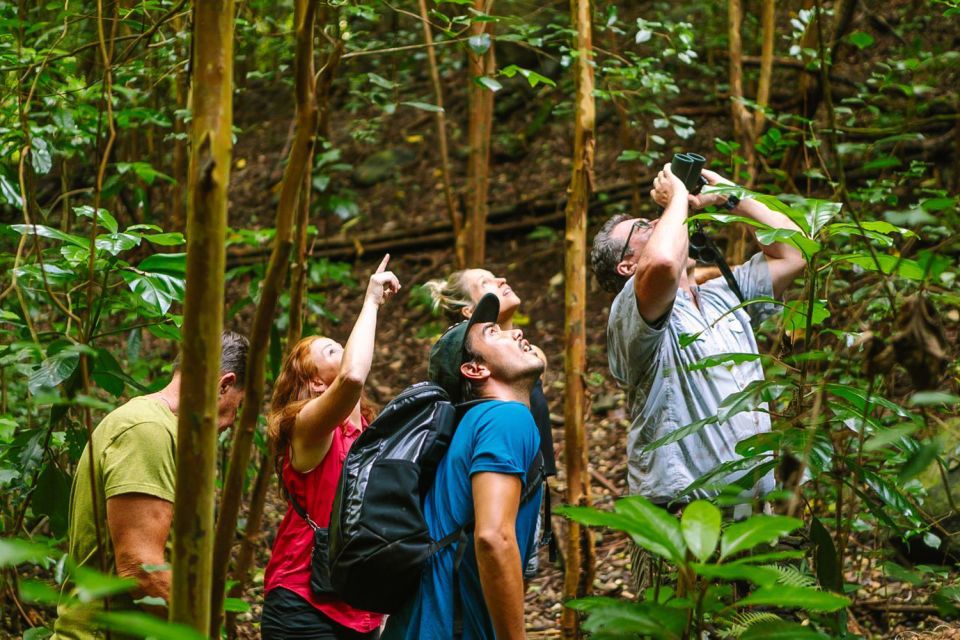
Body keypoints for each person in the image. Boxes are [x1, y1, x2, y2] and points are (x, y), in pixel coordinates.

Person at [589, 164, 806, 583]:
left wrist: (732, 196)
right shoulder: (630, 312)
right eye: (643, 228)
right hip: (680, 522)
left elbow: (796, 252)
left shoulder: (725, 291)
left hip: (752, 517)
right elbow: (665, 265)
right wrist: (675, 204)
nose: (659, 222)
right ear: (627, 266)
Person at [52, 331, 250, 640]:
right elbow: (140, 568)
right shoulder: (148, 431)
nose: (231, 422)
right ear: (224, 385)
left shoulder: (161, 429)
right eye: (237, 407)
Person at [383, 293, 545, 640]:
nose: (514, 333)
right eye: (492, 333)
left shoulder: (474, 424)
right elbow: (494, 537)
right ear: (475, 369)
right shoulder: (506, 419)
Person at [261, 255, 400, 640]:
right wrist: (370, 301)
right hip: (303, 605)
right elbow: (353, 376)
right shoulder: (306, 427)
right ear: (316, 383)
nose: (344, 350)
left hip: (361, 606)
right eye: (329, 351)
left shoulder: (371, 433)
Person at [423, 269, 555, 577]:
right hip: (502, 475)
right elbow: (493, 538)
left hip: (523, 475)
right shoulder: (497, 418)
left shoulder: (525, 362)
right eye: (486, 283)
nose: (502, 281)